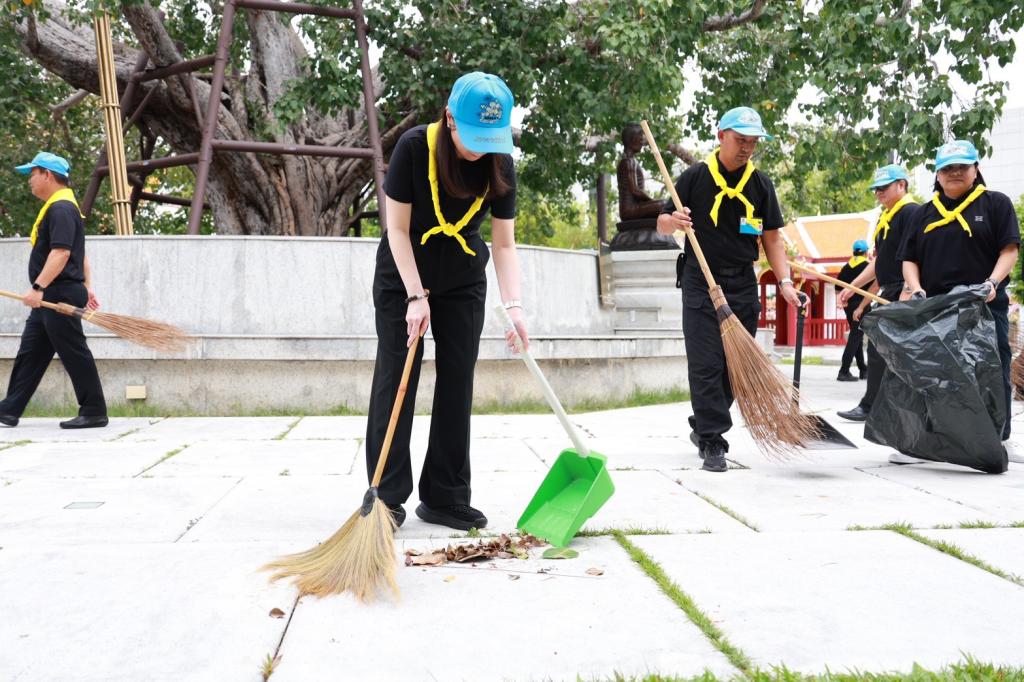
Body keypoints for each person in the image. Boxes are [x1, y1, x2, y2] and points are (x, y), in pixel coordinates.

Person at [366, 72, 528, 530]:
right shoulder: (415, 148)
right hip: (404, 273)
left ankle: (445, 495)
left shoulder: (500, 163)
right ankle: (387, 496)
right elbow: (396, 229)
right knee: (397, 373)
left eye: (489, 138)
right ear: (450, 118)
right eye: (473, 136)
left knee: (458, 379)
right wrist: (416, 296)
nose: (480, 148)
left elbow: (505, 243)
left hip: (462, 277)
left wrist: (514, 308)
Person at [657, 106, 803, 473]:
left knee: (735, 365)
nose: (746, 148)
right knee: (706, 362)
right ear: (721, 135)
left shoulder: (760, 185)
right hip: (700, 281)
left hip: (741, 282)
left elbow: (772, 238)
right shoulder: (694, 177)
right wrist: (673, 220)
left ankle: (706, 419)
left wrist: (784, 282)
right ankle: (712, 438)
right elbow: (660, 222)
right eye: (741, 140)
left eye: (753, 143)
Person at [900, 140, 1022, 465]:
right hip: (936, 308)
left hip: (984, 304)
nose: (955, 173)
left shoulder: (995, 204)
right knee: (933, 373)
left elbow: (1009, 250)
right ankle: (929, 440)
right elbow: (909, 259)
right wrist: (915, 289)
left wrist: (992, 282)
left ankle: (997, 439)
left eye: (962, 167)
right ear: (937, 175)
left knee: (990, 371)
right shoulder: (923, 214)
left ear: (976, 169)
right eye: (947, 168)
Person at [0, 152, 107, 429]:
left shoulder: (60, 209)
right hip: (57, 291)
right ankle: (9, 409)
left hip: (56, 292)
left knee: (73, 350)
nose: (30, 181)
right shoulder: (62, 206)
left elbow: (61, 252)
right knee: (31, 351)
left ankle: (94, 410)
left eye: (32, 174)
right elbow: (79, 255)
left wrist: (38, 287)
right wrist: (87, 285)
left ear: (47, 174)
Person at [837, 164, 917, 420]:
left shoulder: (910, 212)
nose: (878, 193)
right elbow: (880, 262)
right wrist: (854, 288)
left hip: (904, 292)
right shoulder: (889, 216)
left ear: (901, 185)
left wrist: (907, 291)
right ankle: (872, 405)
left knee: (896, 354)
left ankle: (888, 409)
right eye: (876, 189)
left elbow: (913, 256)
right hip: (888, 291)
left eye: (884, 187)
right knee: (877, 349)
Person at [835, 240, 872, 381]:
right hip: (862, 305)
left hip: (848, 305)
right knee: (856, 335)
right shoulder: (868, 267)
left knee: (856, 335)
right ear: (866, 252)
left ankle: (863, 370)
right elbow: (872, 288)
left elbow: (838, 289)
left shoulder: (845, 268)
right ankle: (843, 371)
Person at [617, 123, 664, 221]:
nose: (642, 142)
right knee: (663, 205)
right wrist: (652, 201)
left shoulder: (631, 161)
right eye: (640, 139)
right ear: (632, 140)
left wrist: (651, 203)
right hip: (629, 210)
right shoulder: (628, 162)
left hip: (636, 206)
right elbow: (634, 190)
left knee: (665, 204)